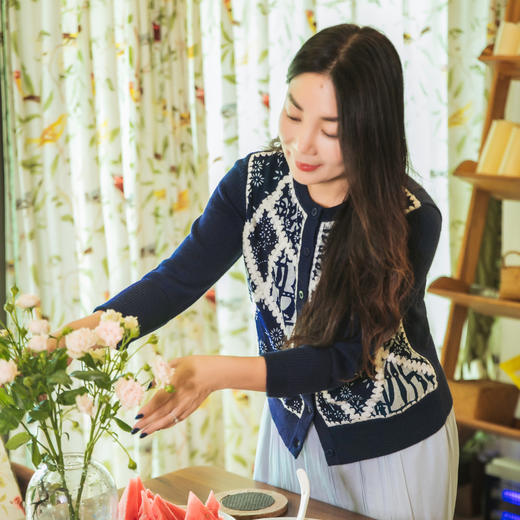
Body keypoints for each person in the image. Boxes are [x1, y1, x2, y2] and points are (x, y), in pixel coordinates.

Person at [59, 24, 458, 519]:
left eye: (331, 130)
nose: (301, 145)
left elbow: (343, 359)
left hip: (394, 446)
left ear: (369, 129)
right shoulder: (255, 181)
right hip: (290, 436)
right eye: (293, 114)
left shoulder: (412, 216)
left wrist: (212, 374)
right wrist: (82, 336)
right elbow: (177, 279)